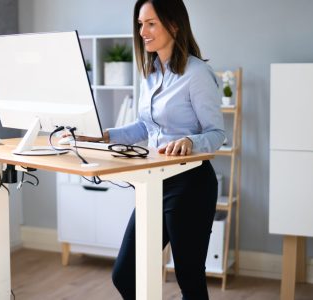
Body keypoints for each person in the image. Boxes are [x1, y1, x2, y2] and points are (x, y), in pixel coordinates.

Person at [76, 0, 224, 298]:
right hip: (154, 183)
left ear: (174, 24)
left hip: (191, 184)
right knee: (125, 275)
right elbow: (144, 127)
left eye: (151, 23)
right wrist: (102, 136)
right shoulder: (150, 73)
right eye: (140, 24)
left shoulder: (196, 74)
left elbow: (216, 133)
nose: (143, 31)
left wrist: (190, 142)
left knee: (189, 279)